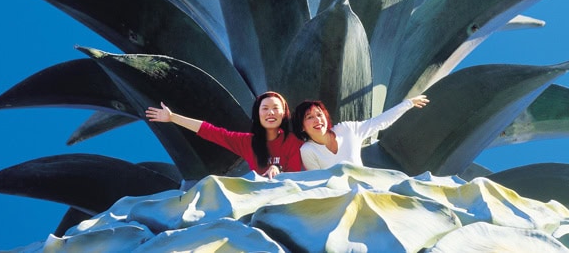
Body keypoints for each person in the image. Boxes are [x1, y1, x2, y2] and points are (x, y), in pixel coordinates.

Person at [145, 91, 303, 179]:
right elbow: (211, 132)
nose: (270, 112)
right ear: (258, 113)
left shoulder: (293, 141)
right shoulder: (248, 142)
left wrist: (277, 168)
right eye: (265, 108)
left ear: (283, 113)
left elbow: (297, 175)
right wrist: (172, 117)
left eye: (276, 108)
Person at [293, 95, 429, 170]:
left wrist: (408, 104)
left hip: (364, 190)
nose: (317, 120)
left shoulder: (347, 130)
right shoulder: (308, 150)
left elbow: (379, 122)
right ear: (302, 127)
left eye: (319, 114)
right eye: (309, 117)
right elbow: (317, 183)